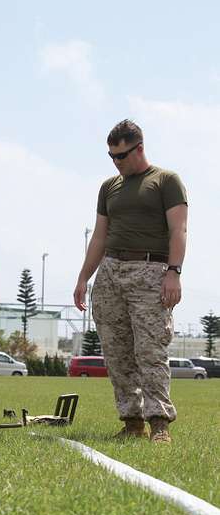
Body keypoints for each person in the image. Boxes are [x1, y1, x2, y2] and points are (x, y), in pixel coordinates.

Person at [73, 120, 188, 443]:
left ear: (139, 148)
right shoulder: (109, 186)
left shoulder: (166, 181)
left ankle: (159, 424)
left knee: (150, 350)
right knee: (117, 351)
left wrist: (173, 272)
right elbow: (100, 236)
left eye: (121, 155)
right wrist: (84, 277)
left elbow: (179, 230)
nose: (116, 162)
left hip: (151, 271)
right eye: (111, 156)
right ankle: (131, 421)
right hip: (111, 272)